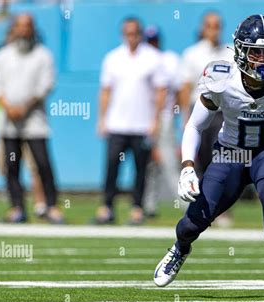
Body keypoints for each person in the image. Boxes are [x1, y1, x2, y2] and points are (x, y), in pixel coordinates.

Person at [153, 15, 264, 302]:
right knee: (191, 223)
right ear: (240, 50)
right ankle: (181, 247)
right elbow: (195, 125)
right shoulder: (221, 79)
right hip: (229, 153)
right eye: (255, 51)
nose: (262, 58)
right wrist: (187, 167)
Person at [95, 17, 167, 225]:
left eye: (135, 32)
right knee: (111, 167)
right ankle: (107, 207)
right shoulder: (113, 58)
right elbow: (106, 91)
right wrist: (102, 119)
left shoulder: (153, 57)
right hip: (117, 124)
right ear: (122, 34)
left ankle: (137, 208)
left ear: (141, 34)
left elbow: (161, 91)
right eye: (128, 33)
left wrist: (155, 121)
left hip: (142, 125)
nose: (132, 37)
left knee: (141, 169)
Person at [0, 13, 63, 223]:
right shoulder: (3, 55)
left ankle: (51, 206)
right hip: (9, 121)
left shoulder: (43, 55)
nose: (24, 30)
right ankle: (17, 207)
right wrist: (8, 105)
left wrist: (25, 106)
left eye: (28, 26)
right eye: (20, 26)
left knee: (43, 164)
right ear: (14, 28)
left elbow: (46, 85)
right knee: (12, 166)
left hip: (34, 121)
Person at [178, 11, 235, 227]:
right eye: (210, 25)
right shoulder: (192, 53)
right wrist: (185, 119)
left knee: (220, 162)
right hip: (200, 110)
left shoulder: (229, 52)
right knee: (197, 159)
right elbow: (185, 88)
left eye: (217, 25)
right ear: (203, 28)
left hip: (222, 113)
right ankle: (196, 207)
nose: (214, 30)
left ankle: (219, 209)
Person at [142, 25, 182, 217]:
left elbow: (177, 90)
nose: (152, 44)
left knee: (169, 163)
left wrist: (181, 116)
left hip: (163, 118)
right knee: (148, 165)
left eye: (154, 40)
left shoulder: (169, 60)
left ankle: (186, 205)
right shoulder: (141, 59)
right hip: (141, 120)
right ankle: (148, 205)